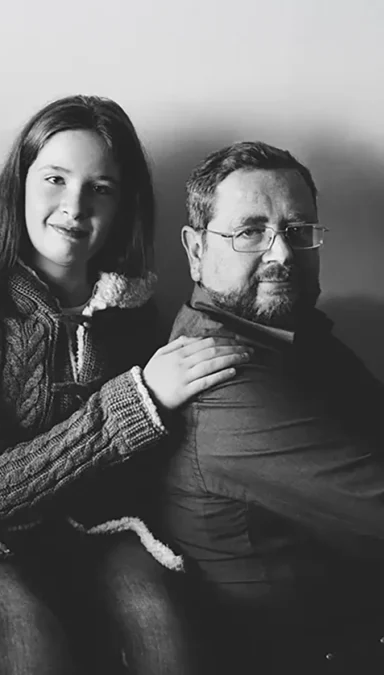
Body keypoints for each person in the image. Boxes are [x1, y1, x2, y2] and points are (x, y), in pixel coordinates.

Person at [0, 94, 251, 674]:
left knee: (161, 631)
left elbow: (148, 471)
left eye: (100, 188)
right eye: (55, 179)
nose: (74, 206)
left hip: (97, 534)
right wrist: (138, 400)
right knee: (28, 642)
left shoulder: (135, 313)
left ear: (122, 205)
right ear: (20, 184)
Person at [160, 141, 384, 674]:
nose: (282, 253)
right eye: (250, 231)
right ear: (196, 250)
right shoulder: (225, 381)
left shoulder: (288, 332)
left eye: (298, 229)